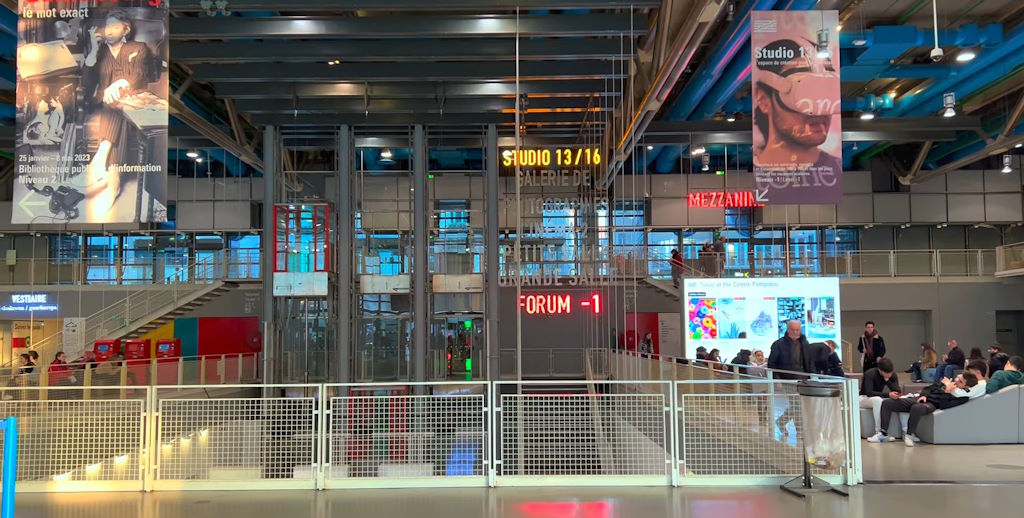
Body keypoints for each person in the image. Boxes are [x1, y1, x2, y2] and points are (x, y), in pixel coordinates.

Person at [752, 39, 842, 180]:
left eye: (826, 91)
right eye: (805, 93)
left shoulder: (836, 170)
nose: (818, 109)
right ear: (763, 100)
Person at [869, 372, 979, 447]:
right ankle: (883, 433)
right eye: (957, 378)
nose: (956, 381)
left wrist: (947, 392)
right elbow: (928, 388)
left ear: (966, 386)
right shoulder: (945, 382)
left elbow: (944, 405)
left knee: (917, 408)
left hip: (932, 404)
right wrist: (924, 395)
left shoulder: (962, 397)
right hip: (921, 399)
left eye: (960, 381)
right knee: (887, 403)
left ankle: (909, 434)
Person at [768, 320, 816, 434]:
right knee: (797, 404)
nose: (795, 332)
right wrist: (777, 379)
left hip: (803, 379)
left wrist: (813, 376)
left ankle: (781, 421)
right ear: (788, 330)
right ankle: (800, 431)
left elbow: (810, 361)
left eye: (797, 330)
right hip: (787, 379)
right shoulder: (778, 344)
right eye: (793, 330)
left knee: (799, 404)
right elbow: (772, 364)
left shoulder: (805, 343)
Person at [860, 358, 902, 438]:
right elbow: (869, 392)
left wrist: (887, 381)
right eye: (886, 373)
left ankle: (901, 431)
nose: (889, 375)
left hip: (879, 396)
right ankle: (879, 431)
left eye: (890, 373)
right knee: (877, 400)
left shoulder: (892, 375)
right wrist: (888, 395)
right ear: (880, 370)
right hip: (864, 398)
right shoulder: (870, 373)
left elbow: (897, 390)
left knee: (892, 400)